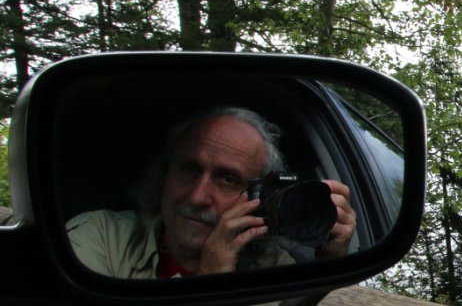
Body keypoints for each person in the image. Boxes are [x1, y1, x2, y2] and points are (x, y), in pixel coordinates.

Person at [67, 107, 356, 278]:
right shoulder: (101, 236)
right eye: (189, 169)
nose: (198, 197)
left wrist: (330, 264)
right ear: (165, 174)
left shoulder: (273, 267)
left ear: (257, 198)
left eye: (227, 179)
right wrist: (208, 275)